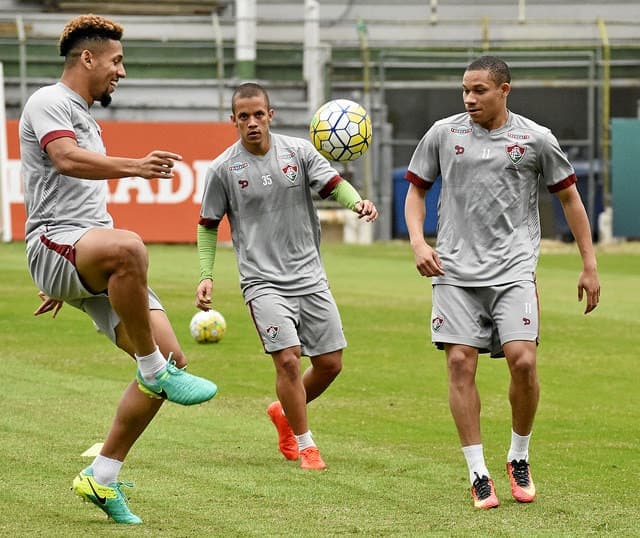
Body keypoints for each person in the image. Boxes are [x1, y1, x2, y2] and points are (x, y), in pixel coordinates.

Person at [18, 14, 218, 524]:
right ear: (87, 58)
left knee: (175, 359)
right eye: (116, 61)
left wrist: (77, 280)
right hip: (54, 243)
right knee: (130, 248)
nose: (121, 72)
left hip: (80, 256)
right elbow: (64, 159)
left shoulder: (85, 114)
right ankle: (151, 368)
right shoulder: (49, 102)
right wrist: (136, 166)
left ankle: (102, 476)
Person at [404, 56, 600, 509]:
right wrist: (418, 242)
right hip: (453, 270)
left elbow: (569, 197)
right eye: (465, 91)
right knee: (459, 363)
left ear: (504, 90)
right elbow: (416, 189)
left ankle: (519, 456)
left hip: (513, 269)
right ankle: (478, 473)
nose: (470, 99)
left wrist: (588, 263)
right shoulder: (443, 133)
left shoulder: (535, 139)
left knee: (523, 361)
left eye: (479, 91)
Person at [195, 82, 378, 470]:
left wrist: (356, 202)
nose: (252, 122)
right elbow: (208, 224)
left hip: (309, 275)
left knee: (330, 363)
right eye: (243, 117)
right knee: (290, 361)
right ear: (233, 121)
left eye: (258, 114)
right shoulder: (223, 169)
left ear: (270, 114)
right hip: (262, 282)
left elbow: (334, 186)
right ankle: (306, 443)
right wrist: (206, 273)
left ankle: (283, 412)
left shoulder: (299, 152)